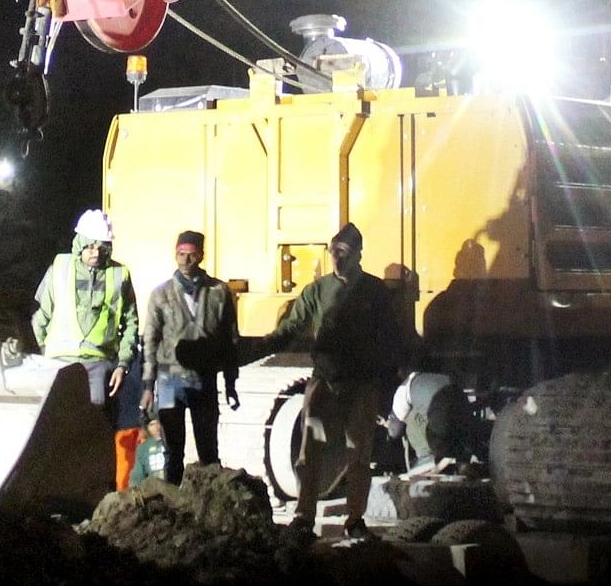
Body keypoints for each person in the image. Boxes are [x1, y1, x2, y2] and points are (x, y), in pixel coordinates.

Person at [240, 223, 410, 538]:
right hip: (325, 382)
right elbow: (293, 326)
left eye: (343, 252)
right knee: (310, 451)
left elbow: (390, 336)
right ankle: (304, 515)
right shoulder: (317, 291)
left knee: (358, 453)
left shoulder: (374, 293)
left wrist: (391, 372)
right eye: (333, 252)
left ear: (358, 254)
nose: (336, 259)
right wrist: (262, 346)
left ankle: (354, 518)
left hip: (360, 385)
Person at [140, 230, 242, 486]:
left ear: (201, 255)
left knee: (209, 451)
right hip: (169, 379)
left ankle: (211, 506)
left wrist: (230, 381)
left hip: (203, 378)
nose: (185, 260)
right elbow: (150, 340)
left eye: (191, 254)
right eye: (181, 254)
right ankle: (173, 506)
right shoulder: (161, 294)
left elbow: (231, 340)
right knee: (173, 452)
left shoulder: (219, 292)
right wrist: (147, 385)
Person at [33, 208, 135, 415]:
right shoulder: (60, 267)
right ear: (79, 244)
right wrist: (39, 354)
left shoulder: (119, 274)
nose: (96, 253)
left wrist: (122, 364)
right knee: (57, 423)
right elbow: (41, 315)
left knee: (92, 423)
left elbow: (131, 323)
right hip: (56, 362)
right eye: (90, 247)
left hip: (98, 364)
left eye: (102, 248)